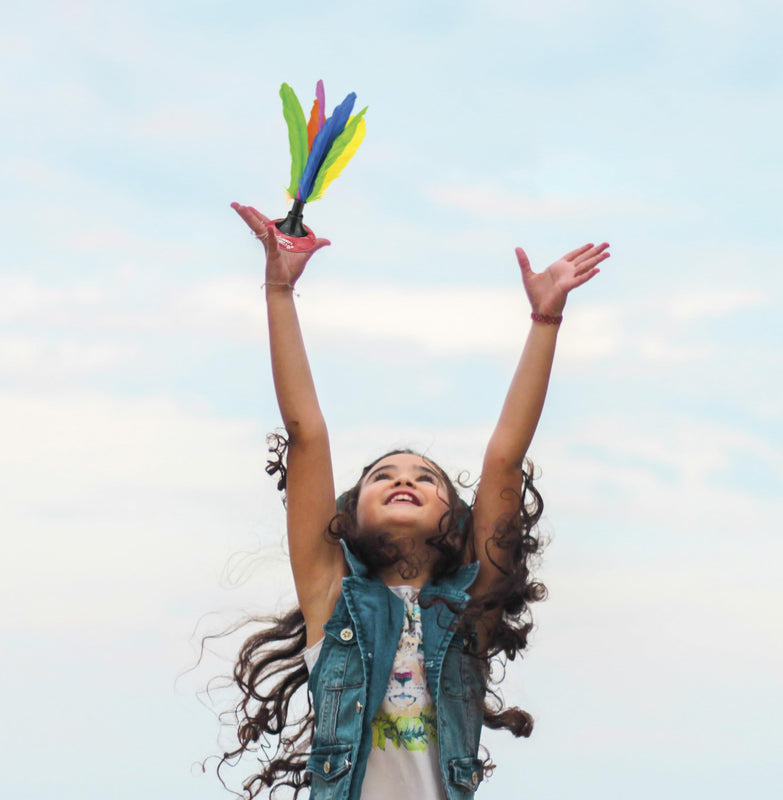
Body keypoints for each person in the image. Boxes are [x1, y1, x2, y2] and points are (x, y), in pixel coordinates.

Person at [223, 202, 610, 800]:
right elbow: (307, 435)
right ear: (346, 518)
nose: (404, 479)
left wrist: (544, 321)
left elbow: (504, 457)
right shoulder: (333, 602)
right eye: (382, 475)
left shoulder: (469, 613)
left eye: (427, 479)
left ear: (455, 521)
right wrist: (278, 289)